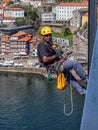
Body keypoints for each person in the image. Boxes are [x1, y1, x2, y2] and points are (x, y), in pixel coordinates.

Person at [37, 26, 88, 95]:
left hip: (56, 66)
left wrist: (60, 55)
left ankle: (83, 92)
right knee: (74, 63)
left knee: (71, 78)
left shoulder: (48, 44)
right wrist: (56, 56)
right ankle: (87, 80)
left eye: (50, 35)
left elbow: (52, 56)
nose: (49, 36)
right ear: (43, 36)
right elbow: (45, 59)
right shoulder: (42, 45)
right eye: (46, 35)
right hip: (56, 66)